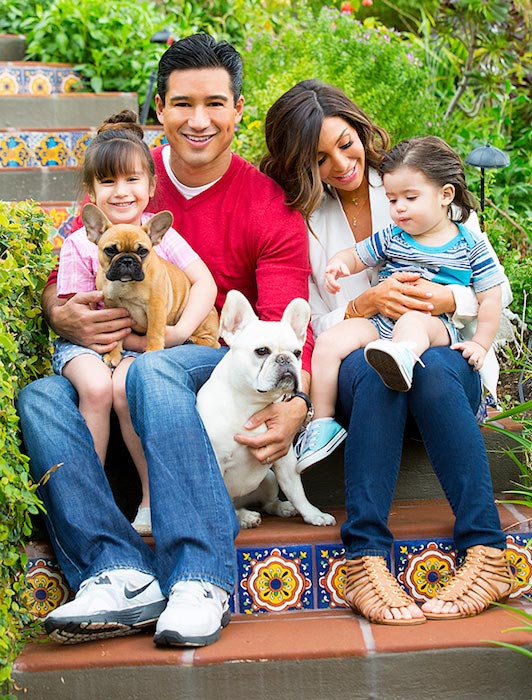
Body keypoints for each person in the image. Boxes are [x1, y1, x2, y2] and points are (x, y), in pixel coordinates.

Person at [17, 34, 313, 647]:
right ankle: (115, 568)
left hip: (213, 353)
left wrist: (296, 400)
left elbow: (284, 322)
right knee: (43, 397)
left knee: (151, 370)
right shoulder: (127, 177)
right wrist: (63, 314)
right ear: (159, 106)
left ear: (238, 111)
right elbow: (67, 269)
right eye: (182, 104)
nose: (197, 121)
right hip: (117, 351)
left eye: (214, 104)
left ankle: (201, 575)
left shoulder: (267, 204)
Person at [261, 79, 514, 625]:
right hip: (360, 367)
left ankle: (487, 552)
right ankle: (365, 559)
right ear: (297, 163)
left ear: (360, 129)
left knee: (436, 369)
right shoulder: (297, 218)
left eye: (346, 144)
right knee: (378, 370)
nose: (340, 164)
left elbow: (494, 287)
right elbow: (302, 318)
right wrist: (362, 305)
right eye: (319, 158)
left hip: (442, 354)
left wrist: (445, 297)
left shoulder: (412, 177)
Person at [53, 111, 218, 537]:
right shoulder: (77, 241)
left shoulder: (160, 234)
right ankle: (93, 501)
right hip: (97, 339)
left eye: (132, 181)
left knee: (128, 389)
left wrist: (174, 336)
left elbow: (200, 283)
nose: (121, 192)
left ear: (149, 188)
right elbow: (76, 310)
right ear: (91, 198)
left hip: (144, 339)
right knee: (95, 388)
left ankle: (150, 498)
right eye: (108, 182)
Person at [296, 135, 505, 469]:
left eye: (345, 143)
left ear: (445, 196)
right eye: (393, 201)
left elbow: (493, 294)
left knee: (412, 324)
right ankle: (322, 422)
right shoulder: (393, 234)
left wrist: (470, 328)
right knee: (332, 341)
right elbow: (358, 255)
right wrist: (339, 265)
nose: (398, 208)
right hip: (379, 325)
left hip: (430, 325)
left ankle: (403, 356)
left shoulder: (461, 233)